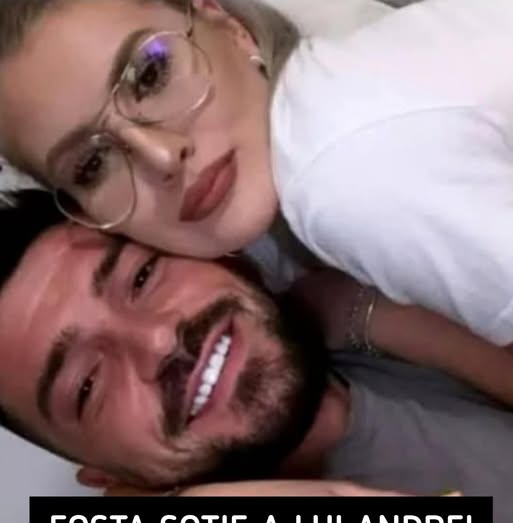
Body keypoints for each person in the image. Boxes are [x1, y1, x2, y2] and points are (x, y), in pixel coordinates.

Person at [0, 191, 513, 523]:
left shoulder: (375, 279)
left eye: (142, 277)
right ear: (104, 476)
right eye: (87, 384)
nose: (159, 340)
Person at [0, 0, 512, 348]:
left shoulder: (338, 175)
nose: (162, 157)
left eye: (151, 75)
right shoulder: (323, 109)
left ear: (226, 24)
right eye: (91, 165)